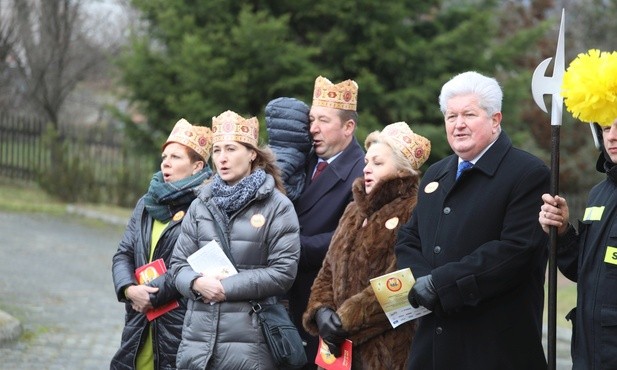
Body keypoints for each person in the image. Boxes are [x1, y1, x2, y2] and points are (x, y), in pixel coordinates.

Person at [394, 71, 550, 370]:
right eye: (451, 116)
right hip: (433, 346)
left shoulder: (527, 173)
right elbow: (409, 238)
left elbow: (516, 251)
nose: (458, 124)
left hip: (493, 347)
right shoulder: (436, 174)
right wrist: (420, 281)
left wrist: (440, 285)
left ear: (495, 120)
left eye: (469, 114)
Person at [170, 110, 301, 369]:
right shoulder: (200, 204)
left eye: (231, 149)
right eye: (217, 150)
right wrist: (196, 283)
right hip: (199, 342)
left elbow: (283, 272)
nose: (222, 158)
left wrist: (225, 288)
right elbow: (177, 266)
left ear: (252, 153)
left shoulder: (278, 207)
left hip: (251, 343)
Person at [303, 121, 431, 369]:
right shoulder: (353, 211)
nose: (368, 169)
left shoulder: (416, 210)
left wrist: (345, 320)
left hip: (387, 352)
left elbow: (405, 282)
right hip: (337, 353)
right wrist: (321, 311)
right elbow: (328, 269)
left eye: (378, 163)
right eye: (367, 162)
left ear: (403, 170)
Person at [110, 118, 213, 370]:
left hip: (177, 322)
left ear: (197, 166)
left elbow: (194, 265)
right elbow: (124, 253)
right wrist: (127, 289)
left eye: (176, 157)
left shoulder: (204, 207)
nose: (166, 162)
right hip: (139, 317)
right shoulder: (147, 202)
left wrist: (150, 294)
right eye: (164, 156)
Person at [539, 49, 617, 370]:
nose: (612, 137)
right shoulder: (600, 193)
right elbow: (582, 270)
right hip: (588, 354)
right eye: (605, 127)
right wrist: (564, 233)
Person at [287, 75, 366, 365]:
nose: (313, 129)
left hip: (325, 298)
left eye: (323, 120)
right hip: (285, 293)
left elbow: (351, 238)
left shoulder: (364, 170)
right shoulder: (300, 161)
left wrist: (291, 247)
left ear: (348, 127)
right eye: (311, 120)